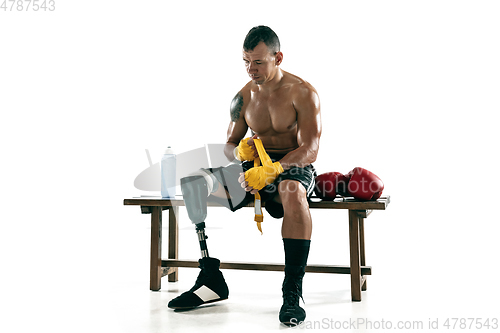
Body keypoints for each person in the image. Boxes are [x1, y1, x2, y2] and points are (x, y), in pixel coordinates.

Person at [168, 25, 321, 326]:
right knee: (194, 182)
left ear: (278, 57)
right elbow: (228, 146)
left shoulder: (302, 92)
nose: (251, 69)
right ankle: (211, 279)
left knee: (291, 190)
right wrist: (239, 153)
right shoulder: (243, 97)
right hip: (253, 171)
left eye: (259, 62)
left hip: (291, 167)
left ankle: (293, 292)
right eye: (246, 61)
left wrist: (275, 168)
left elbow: (311, 148)